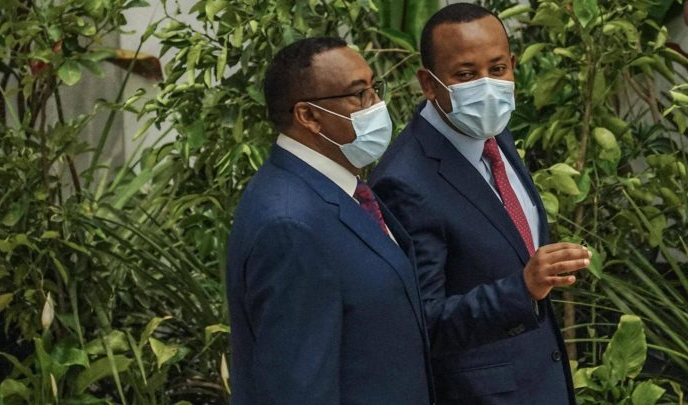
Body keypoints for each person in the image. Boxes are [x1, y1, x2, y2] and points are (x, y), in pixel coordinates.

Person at [370, 4, 591, 404]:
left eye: (498, 68)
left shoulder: (492, 131)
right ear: (428, 83)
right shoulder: (404, 182)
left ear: (513, 66)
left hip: (540, 379)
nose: (488, 87)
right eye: (466, 75)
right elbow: (423, 323)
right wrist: (522, 288)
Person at [226, 37, 432, 405]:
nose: (377, 105)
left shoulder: (339, 189)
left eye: (375, 88)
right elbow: (299, 387)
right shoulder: (289, 225)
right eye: (359, 94)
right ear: (308, 116)